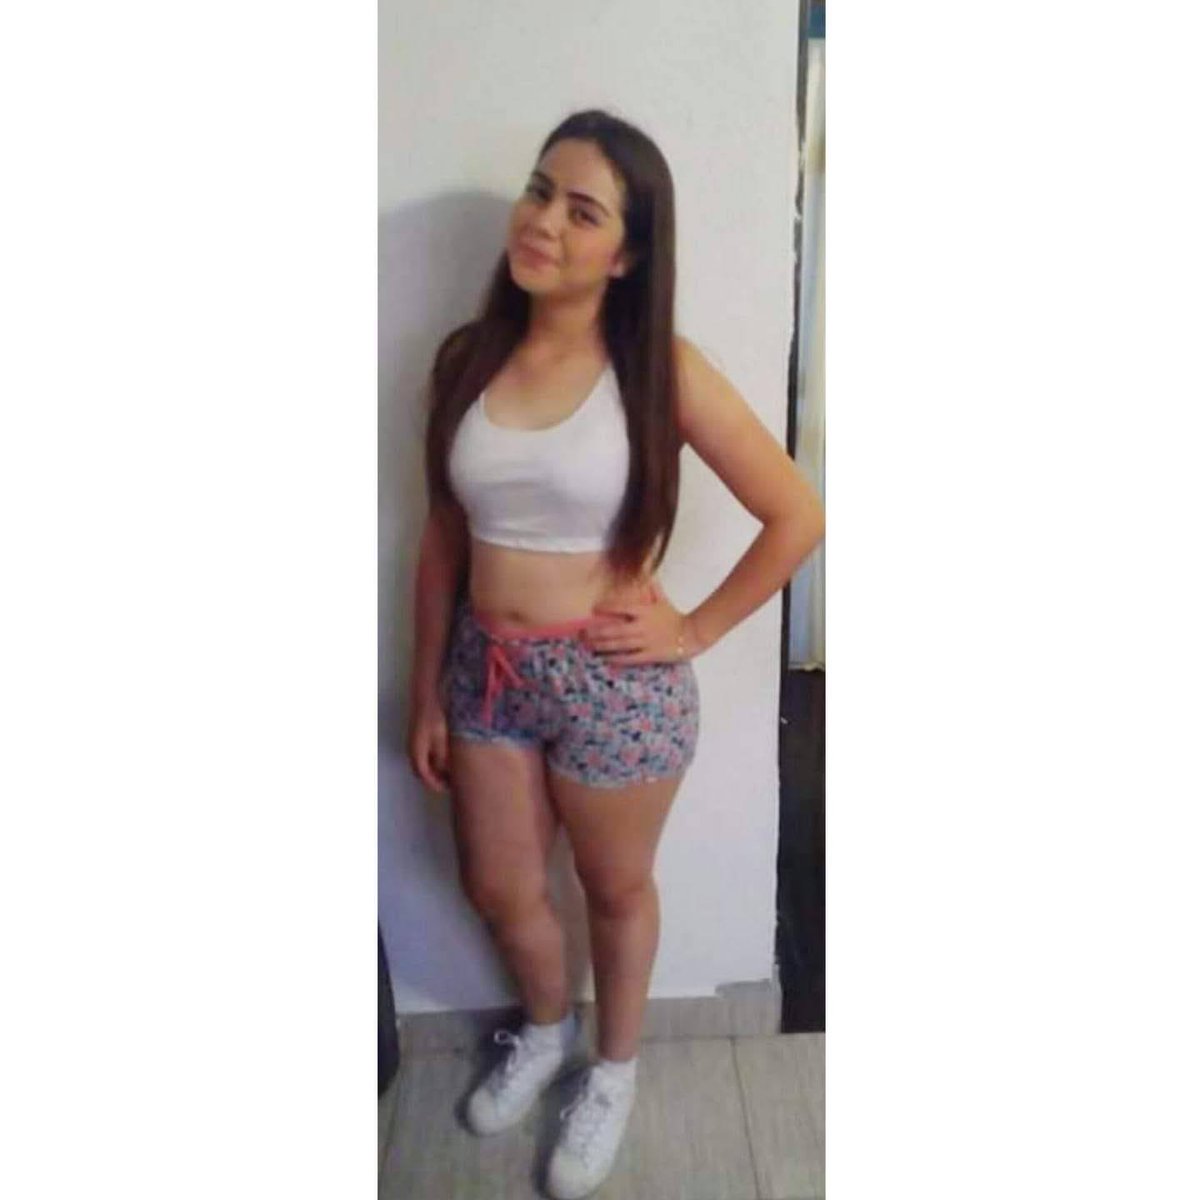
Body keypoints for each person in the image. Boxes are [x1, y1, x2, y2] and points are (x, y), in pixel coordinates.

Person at [405, 108, 824, 1199]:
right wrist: (426, 691)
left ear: (627, 253)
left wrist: (694, 628)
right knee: (501, 886)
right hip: (486, 674)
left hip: (614, 686)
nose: (544, 220)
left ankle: (614, 1069)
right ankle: (546, 1029)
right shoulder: (468, 359)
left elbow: (797, 514)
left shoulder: (657, 371)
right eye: (541, 190)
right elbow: (444, 536)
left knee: (614, 886)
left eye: (582, 211)